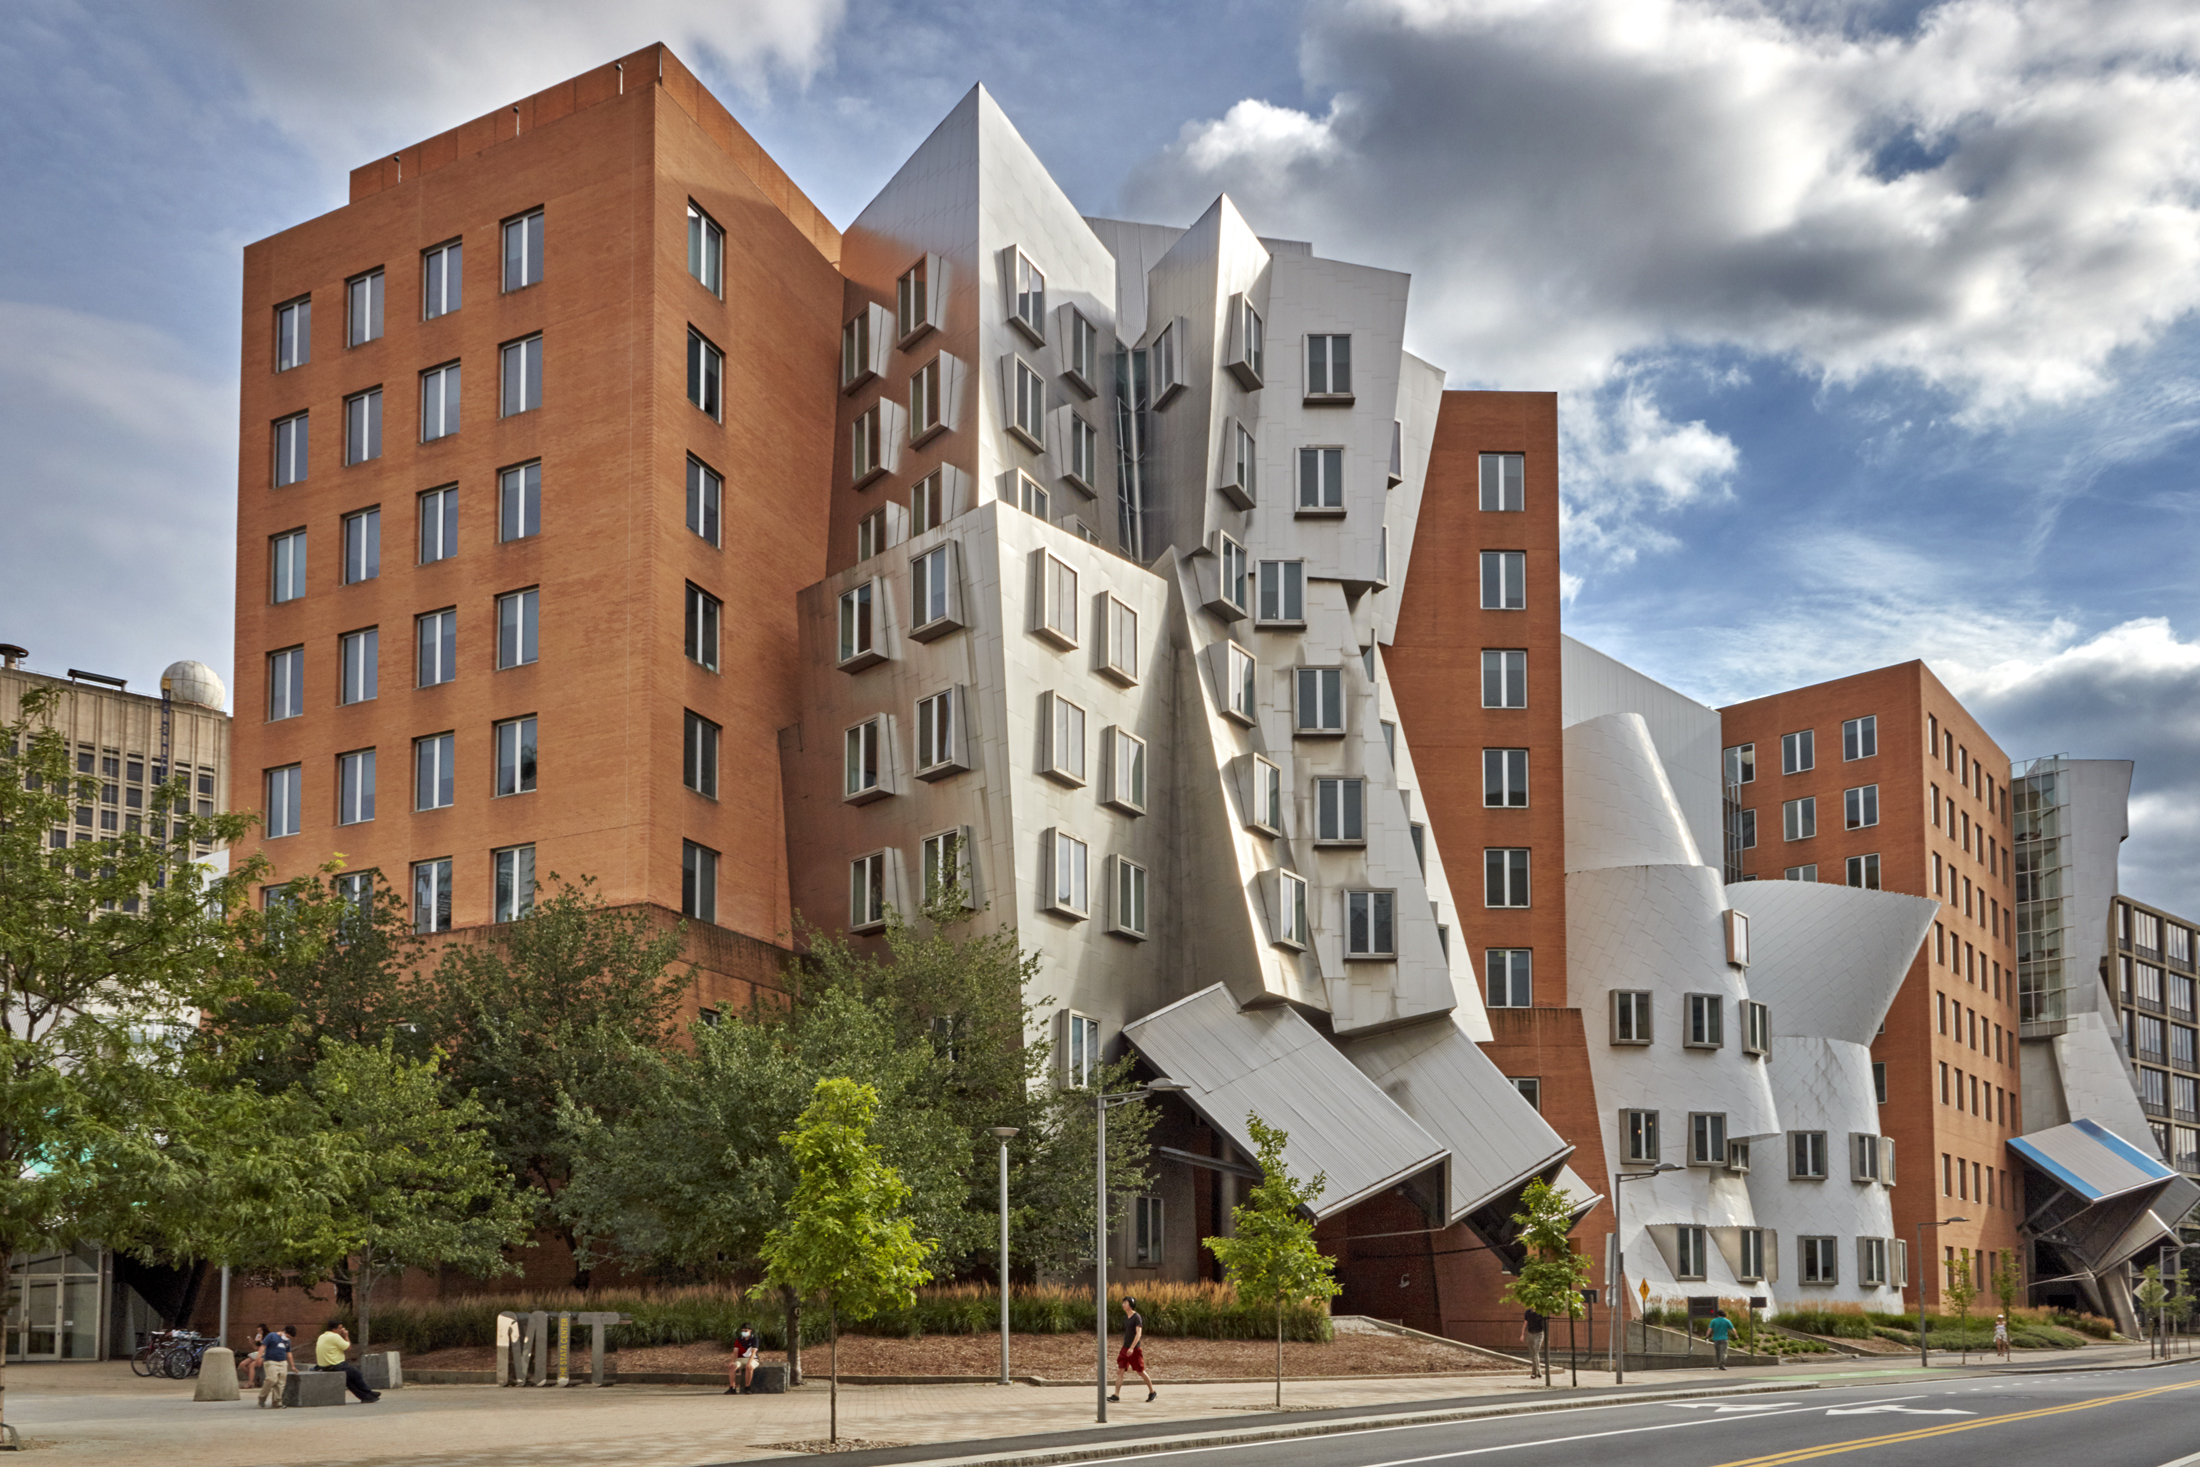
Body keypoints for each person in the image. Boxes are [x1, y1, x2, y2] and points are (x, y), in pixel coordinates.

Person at [313, 1319, 382, 1403]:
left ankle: (367, 1395)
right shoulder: (335, 1336)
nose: (342, 1330)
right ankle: (368, 1393)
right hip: (335, 1364)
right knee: (356, 1374)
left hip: (323, 1365)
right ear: (334, 1329)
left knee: (349, 1380)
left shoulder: (322, 1336)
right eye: (340, 1328)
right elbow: (348, 1347)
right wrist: (346, 1336)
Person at [1109, 1296, 1156, 1403]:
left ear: (1131, 1304)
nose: (1123, 1304)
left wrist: (1131, 1348)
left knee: (1140, 1372)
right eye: (1123, 1302)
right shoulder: (1126, 1317)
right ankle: (1116, 1396)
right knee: (1120, 1371)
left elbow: (1138, 1334)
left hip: (1134, 1349)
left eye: (1125, 1302)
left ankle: (1152, 1392)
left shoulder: (1137, 1317)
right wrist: (1126, 1347)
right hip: (1124, 1348)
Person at [256, 1325, 293, 1408]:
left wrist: (292, 1365)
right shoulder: (271, 1336)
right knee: (271, 1379)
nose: (287, 1338)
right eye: (287, 1336)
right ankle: (262, 1397)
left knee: (281, 1382)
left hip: (282, 1362)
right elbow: (263, 1347)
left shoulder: (287, 1341)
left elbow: (289, 1353)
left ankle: (277, 1401)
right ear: (283, 1332)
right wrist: (258, 1357)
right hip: (271, 1361)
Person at [725, 1322, 762, 1394]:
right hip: (740, 1359)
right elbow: (735, 1352)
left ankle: (747, 1387)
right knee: (732, 1367)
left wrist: (749, 1362)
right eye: (742, 1331)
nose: (744, 1332)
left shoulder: (754, 1339)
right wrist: (732, 1361)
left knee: (749, 1367)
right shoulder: (738, 1340)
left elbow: (753, 1352)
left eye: (746, 1331)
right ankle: (732, 1388)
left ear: (750, 1331)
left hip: (752, 1359)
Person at [1521, 1308, 1548, 1380]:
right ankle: (1538, 1371)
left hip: (1539, 1334)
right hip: (1530, 1334)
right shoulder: (1528, 1312)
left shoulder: (1541, 1311)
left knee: (1535, 1353)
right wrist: (1522, 1334)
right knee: (1534, 1354)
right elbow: (1525, 1323)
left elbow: (1545, 1323)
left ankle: (1534, 1373)